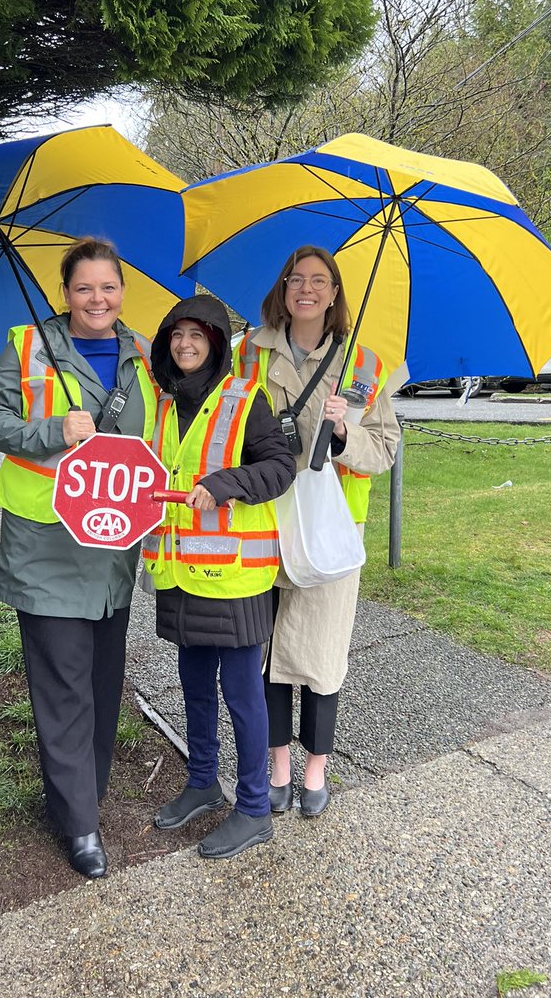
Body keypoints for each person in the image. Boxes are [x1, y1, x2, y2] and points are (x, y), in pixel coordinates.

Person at [0, 237, 159, 879]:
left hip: (113, 546)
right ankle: (78, 823)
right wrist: (54, 430)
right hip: (47, 543)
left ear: (121, 292)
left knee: (104, 682)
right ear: (65, 294)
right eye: (84, 288)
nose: (97, 299)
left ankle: (86, 792)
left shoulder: (143, 355)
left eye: (108, 287)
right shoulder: (29, 346)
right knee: (62, 682)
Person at [233, 246, 400, 817]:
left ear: (334, 295)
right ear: (282, 290)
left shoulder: (363, 367)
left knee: (323, 653)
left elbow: (385, 449)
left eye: (319, 281)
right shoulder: (247, 357)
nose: (306, 288)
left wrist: (344, 432)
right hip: (266, 523)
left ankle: (315, 770)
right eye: (295, 279)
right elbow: (223, 426)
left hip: (332, 533)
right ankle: (277, 764)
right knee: (271, 649)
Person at [142, 295, 296, 859]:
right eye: (176, 336)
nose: (186, 345)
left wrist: (227, 484)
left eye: (197, 337)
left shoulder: (244, 398)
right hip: (179, 571)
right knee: (193, 687)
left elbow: (280, 467)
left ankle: (254, 807)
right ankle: (203, 781)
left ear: (215, 343)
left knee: (241, 694)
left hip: (232, 578)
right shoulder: (161, 405)